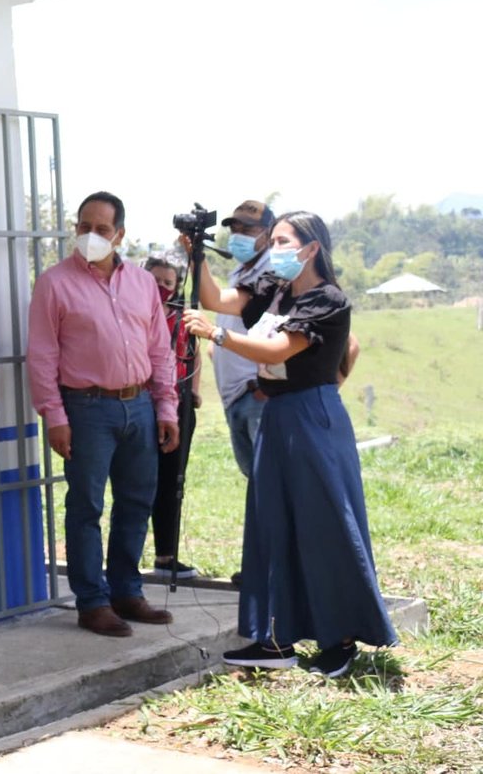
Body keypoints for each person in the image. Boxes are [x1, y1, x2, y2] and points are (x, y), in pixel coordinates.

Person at [184, 211, 393, 678]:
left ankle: (340, 638)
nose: (272, 248)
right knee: (270, 524)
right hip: (278, 415)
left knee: (324, 525)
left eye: (281, 240)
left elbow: (280, 351)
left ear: (311, 248)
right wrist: (196, 253)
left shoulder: (327, 300)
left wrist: (217, 334)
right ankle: (275, 637)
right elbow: (216, 297)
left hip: (311, 417)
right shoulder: (273, 293)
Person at [28, 191, 180, 638]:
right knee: (87, 505)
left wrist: (165, 404)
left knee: (136, 502)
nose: (90, 236)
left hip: (139, 404)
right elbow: (41, 355)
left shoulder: (142, 283)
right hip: (86, 408)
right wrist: (54, 416)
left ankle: (127, 591)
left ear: (120, 235)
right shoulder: (54, 283)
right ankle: (92, 601)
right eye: (83, 226)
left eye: (101, 229)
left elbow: (160, 348)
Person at [144, 256, 201, 581]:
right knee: (140, 480)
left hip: (178, 403)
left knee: (173, 479)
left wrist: (193, 390)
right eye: (156, 281)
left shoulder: (182, 316)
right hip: (142, 400)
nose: (163, 289)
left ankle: (166, 553)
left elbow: (193, 356)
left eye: (169, 283)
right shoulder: (132, 311)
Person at [212, 201, 276, 483]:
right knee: (256, 479)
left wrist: (263, 386)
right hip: (237, 395)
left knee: (269, 478)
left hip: (256, 395)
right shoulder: (239, 271)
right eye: (235, 229)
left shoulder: (273, 272)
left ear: (268, 233)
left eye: (247, 230)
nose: (238, 236)